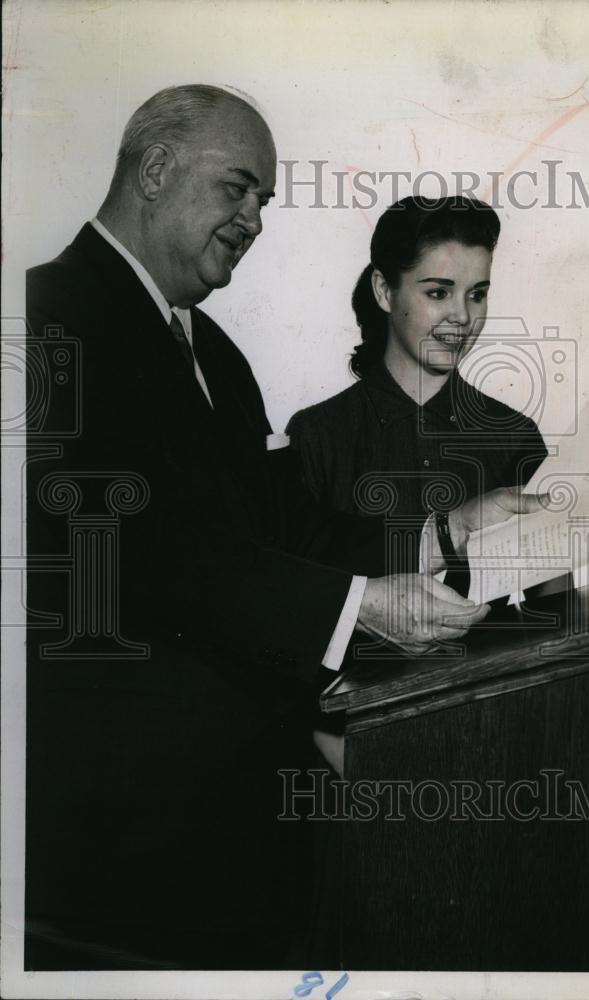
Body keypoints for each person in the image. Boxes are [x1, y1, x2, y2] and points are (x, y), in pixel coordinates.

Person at [24, 86, 542, 971]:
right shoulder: (48, 315)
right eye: (238, 188)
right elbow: (131, 547)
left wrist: (442, 535)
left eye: (263, 197)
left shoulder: (213, 353)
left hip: (228, 848)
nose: (254, 217)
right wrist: (356, 605)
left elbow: (280, 525)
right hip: (127, 861)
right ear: (155, 170)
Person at [288, 195, 548, 590]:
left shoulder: (515, 435)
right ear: (384, 291)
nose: (462, 316)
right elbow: (298, 595)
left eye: (477, 294)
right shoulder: (315, 436)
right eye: (438, 293)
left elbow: (555, 606)